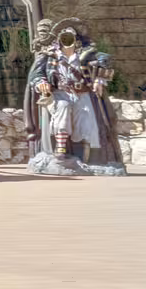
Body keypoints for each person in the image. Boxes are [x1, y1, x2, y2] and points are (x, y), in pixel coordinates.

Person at [24, 20, 125, 176]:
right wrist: (41, 83)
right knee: (62, 109)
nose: (66, 40)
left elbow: (107, 61)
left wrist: (99, 79)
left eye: (70, 36)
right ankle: (61, 149)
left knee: (87, 121)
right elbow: (36, 74)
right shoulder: (49, 56)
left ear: (76, 38)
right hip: (59, 94)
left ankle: (88, 158)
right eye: (63, 36)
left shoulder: (86, 54)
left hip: (82, 93)